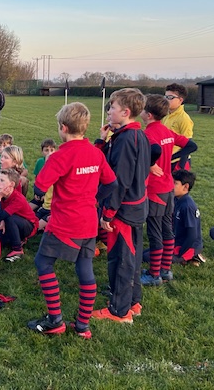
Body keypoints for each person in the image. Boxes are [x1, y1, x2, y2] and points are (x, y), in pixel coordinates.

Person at [27, 102, 117, 338]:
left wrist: (48, 168)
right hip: (88, 222)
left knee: (43, 263)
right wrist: (95, 199)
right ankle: (82, 326)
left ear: (63, 128)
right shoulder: (96, 153)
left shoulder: (60, 156)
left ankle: (55, 319)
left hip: (64, 223)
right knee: (85, 270)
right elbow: (111, 182)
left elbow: (40, 186)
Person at [92, 88, 150, 324]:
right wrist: (104, 141)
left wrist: (108, 212)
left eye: (112, 108)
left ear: (125, 112)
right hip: (136, 206)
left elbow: (120, 180)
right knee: (132, 256)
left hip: (124, 209)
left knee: (122, 258)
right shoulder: (134, 135)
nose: (108, 111)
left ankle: (120, 310)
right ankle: (132, 300)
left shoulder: (127, 139)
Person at [140, 94, 197, 286]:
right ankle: (165, 270)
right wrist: (176, 161)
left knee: (154, 233)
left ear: (148, 114)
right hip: (168, 186)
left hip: (155, 189)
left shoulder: (148, 134)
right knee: (167, 230)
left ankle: (153, 274)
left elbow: (154, 150)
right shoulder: (166, 132)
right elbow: (191, 145)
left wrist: (149, 163)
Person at [0, 168, 39, 262]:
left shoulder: (17, 199)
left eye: (2, 180)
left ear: (11, 184)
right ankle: (17, 239)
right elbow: (0, 214)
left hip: (28, 226)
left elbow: (0, 215)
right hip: (11, 222)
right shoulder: (4, 192)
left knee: (10, 218)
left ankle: (17, 249)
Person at [161, 83, 194, 171]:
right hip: (165, 160)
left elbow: (188, 144)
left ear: (180, 100)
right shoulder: (165, 115)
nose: (166, 100)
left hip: (178, 161)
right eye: (165, 97)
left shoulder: (184, 118)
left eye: (170, 97)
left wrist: (181, 167)